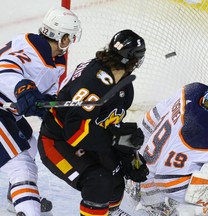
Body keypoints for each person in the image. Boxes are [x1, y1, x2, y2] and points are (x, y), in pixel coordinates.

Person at [37, 29, 149, 216]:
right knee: (99, 181)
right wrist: (114, 139)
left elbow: (108, 123)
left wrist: (128, 155)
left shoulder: (123, 84)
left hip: (85, 136)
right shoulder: (93, 83)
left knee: (116, 181)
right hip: (56, 142)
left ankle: (105, 212)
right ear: (133, 60)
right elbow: (74, 132)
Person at [118, 75, 208, 215]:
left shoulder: (190, 91)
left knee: (116, 208)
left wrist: (135, 155)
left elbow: (149, 121)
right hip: (152, 188)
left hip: (134, 168)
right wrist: (203, 197)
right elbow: (166, 181)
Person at [0, 6, 82, 216]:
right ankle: (28, 209)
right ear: (62, 38)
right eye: (69, 37)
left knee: (29, 145)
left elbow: (44, 95)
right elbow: (4, 69)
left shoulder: (56, 62)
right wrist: (22, 87)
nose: (69, 43)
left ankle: (15, 197)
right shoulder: (29, 47)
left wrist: (48, 106)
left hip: (8, 113)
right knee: (22, 166)